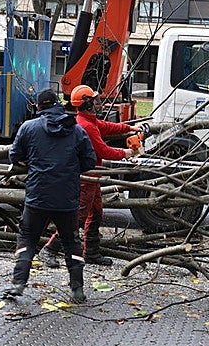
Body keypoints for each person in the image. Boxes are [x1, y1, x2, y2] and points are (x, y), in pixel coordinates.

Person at [4, 88, 97, 303]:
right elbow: (89, 161)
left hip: (38, 196)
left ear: (38, 107)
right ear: (58, 104)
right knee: (72, 242)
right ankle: (77, 290)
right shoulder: (76, 130)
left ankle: (18, 284)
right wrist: (71, 170)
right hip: (67, 199)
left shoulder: (28, 128)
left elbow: (14, 155)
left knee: (27, 238)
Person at [40, 85, 143, 267]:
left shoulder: (90, 121)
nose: (98, 103)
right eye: (94, 101)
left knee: (95, 213)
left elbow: (108, 127)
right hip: (85, 177)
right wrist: (127, 153)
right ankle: (49, 249)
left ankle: (91, 252)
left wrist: (130, 128)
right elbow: (103, 150)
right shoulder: (85, 125)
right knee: (78, 217)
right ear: (87, 104)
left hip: (93, 176)